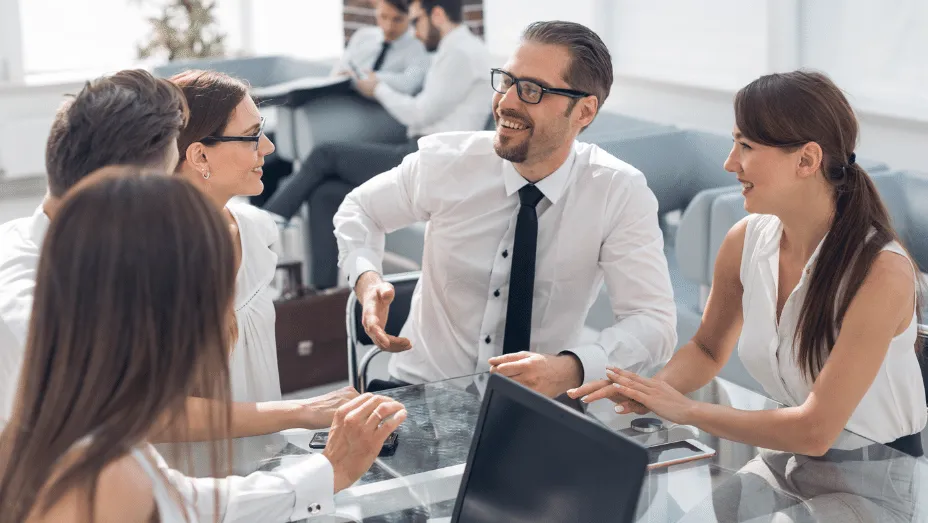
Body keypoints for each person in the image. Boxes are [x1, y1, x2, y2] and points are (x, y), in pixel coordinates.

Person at [0, 169, 406, 523]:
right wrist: (327, 468)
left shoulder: (60, 426)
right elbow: (183, 505)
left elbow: (184, 500)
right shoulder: (106, 473)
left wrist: (326, 470)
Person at [569, 71, 927, 459]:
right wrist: (653, 391)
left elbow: (815, 430)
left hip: (881, 469)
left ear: (806, 159)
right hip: (789, 454)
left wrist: (687, 410)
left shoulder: (880, 272)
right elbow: (707, 348)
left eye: (746, 146)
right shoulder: (745, 240)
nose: (729, 163)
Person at [0, 69, 356, 454]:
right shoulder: (37, 305)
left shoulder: (251, 232)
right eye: (163, 174)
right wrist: (301, 418)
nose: (169, 186)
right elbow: (135, 416)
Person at [334, 21, 677, 396]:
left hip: (536, 402)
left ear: (584, 111)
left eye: (532, 90)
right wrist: (367, 278)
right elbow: (359, 210)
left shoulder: (618, 192)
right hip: (421, 391)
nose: (506, 102)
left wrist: (571, 367)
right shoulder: (448, 161)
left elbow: (653, 322)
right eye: (507, 81)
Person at [170, 69, 362, 474]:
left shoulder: (257, 232)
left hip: (265, 473)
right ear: (199, 155)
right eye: (253, 135)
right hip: (194, 492)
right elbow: (155, 417)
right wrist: (301, 411)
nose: (269, 147)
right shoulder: (155, 263)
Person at [264, 0, 491, 290]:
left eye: (414, 20)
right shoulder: (445, 49)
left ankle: (262, 227)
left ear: (436, 15)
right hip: (423, 152)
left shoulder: (458, 52)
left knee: (325, 155)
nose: (413, 30)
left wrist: (377, 87)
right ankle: (324, 294)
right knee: (325, 193)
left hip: (431, 159)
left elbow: (420, 110)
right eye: (382, 16)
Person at [332, 0, 429, 96]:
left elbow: (410, 84)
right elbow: (338, 71)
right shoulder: (362, 36)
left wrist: (374, 78)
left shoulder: (416, 48)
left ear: (409, 17)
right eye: (383, 17)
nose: (389, 27)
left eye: (397, 19)